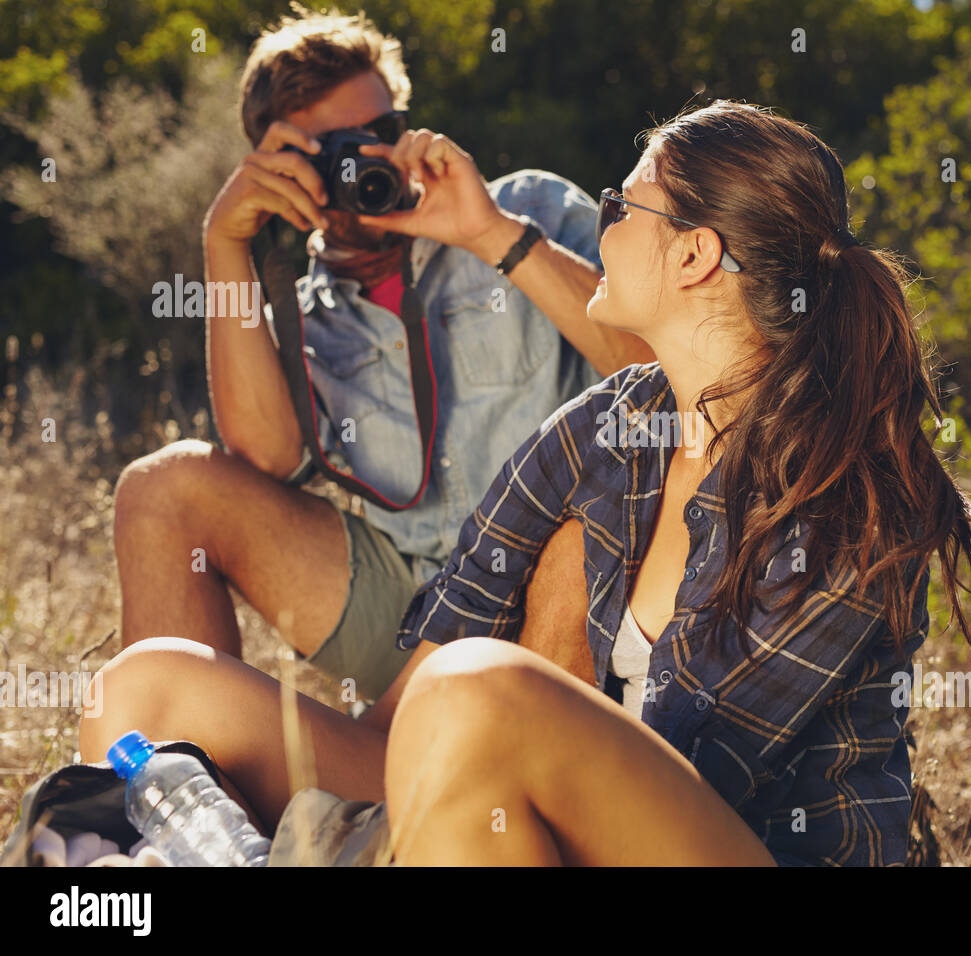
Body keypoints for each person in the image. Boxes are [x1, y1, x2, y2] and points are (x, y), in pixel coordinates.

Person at [81, 99, 971, 866]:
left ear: (694, 256)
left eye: (619, 207)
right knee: (147, 688)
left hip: (731, 841)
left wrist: (472, 761)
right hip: (550, 815)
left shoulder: (845, 486)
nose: (602, 223)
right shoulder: (602, 432)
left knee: (477, 693)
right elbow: (407, 710)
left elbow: (707, 772)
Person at [110, 6, 652, 723]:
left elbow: (657, 360)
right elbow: (264, 460)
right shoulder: (297, 311)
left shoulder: (524, 209)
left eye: (381, 134)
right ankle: (169, 790)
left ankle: (458, 751)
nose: (365, 161)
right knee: (161, 488)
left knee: (577, 539)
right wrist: (224, 246)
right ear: (281, 164)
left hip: (566, 587)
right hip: (407, 607)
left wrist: (490, 235)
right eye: (332, 149)